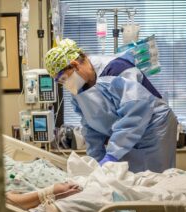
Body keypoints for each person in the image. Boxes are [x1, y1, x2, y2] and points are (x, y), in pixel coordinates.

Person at [44, 39, 178, 173]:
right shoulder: (79, 89)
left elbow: (136, 110)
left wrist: (112, 154)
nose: (65, 84)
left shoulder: (116, 69)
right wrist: (95, 160)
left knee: (154, 178)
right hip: (125, 135)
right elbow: (91, 126)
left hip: (154, 127)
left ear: (74, 65)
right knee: (129, 180)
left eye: (63, 78)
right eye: (59, 82)